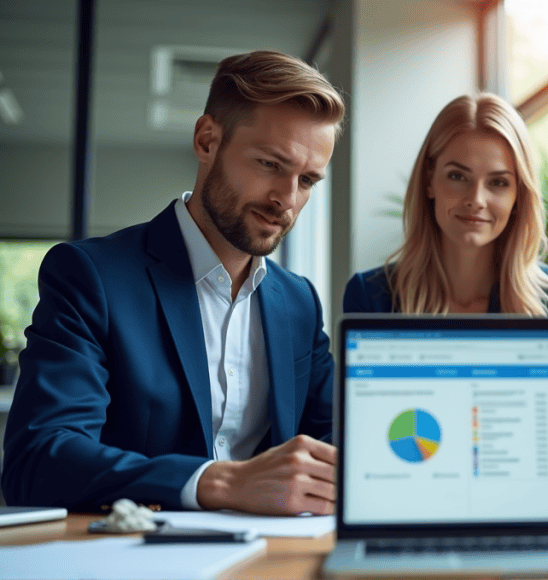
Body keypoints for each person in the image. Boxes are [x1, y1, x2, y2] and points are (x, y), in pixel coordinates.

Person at [1, 51, 345, 515]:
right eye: (269, 164)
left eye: (307, 180)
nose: (286, 199)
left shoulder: (299, 302)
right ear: (207, 140)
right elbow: (37, 459)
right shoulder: (91, 276)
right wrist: (219, 483)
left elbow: (334, 445)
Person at [343, 94, 548, 315]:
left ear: (519, 195)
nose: (476, 200)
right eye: (457, 176)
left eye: (498, 182)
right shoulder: (370, 297)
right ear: (429, 180)